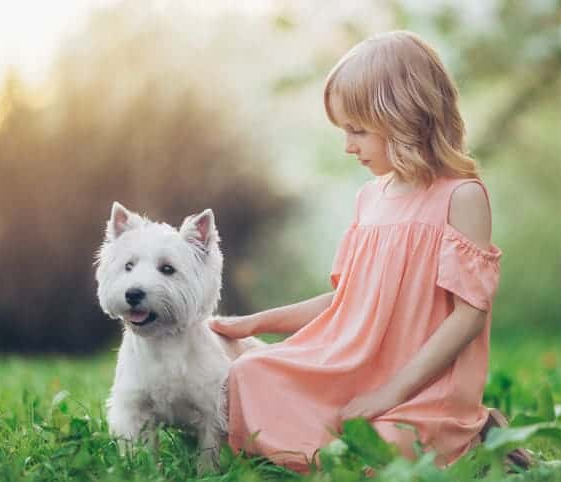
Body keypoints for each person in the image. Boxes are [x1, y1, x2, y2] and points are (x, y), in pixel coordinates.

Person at [210, 30, 526, 472]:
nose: (347, 146)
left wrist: (388, 394)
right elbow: (347, 301)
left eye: (357, 131)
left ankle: (472, 434)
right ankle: (325, 441)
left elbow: (468, 316)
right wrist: (255, 324)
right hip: (356, 368)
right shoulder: (370, 199)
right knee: (252, 374)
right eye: (344, 131)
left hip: (421, 388)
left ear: (405, 119)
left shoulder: (462, 197)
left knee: (377, 452)